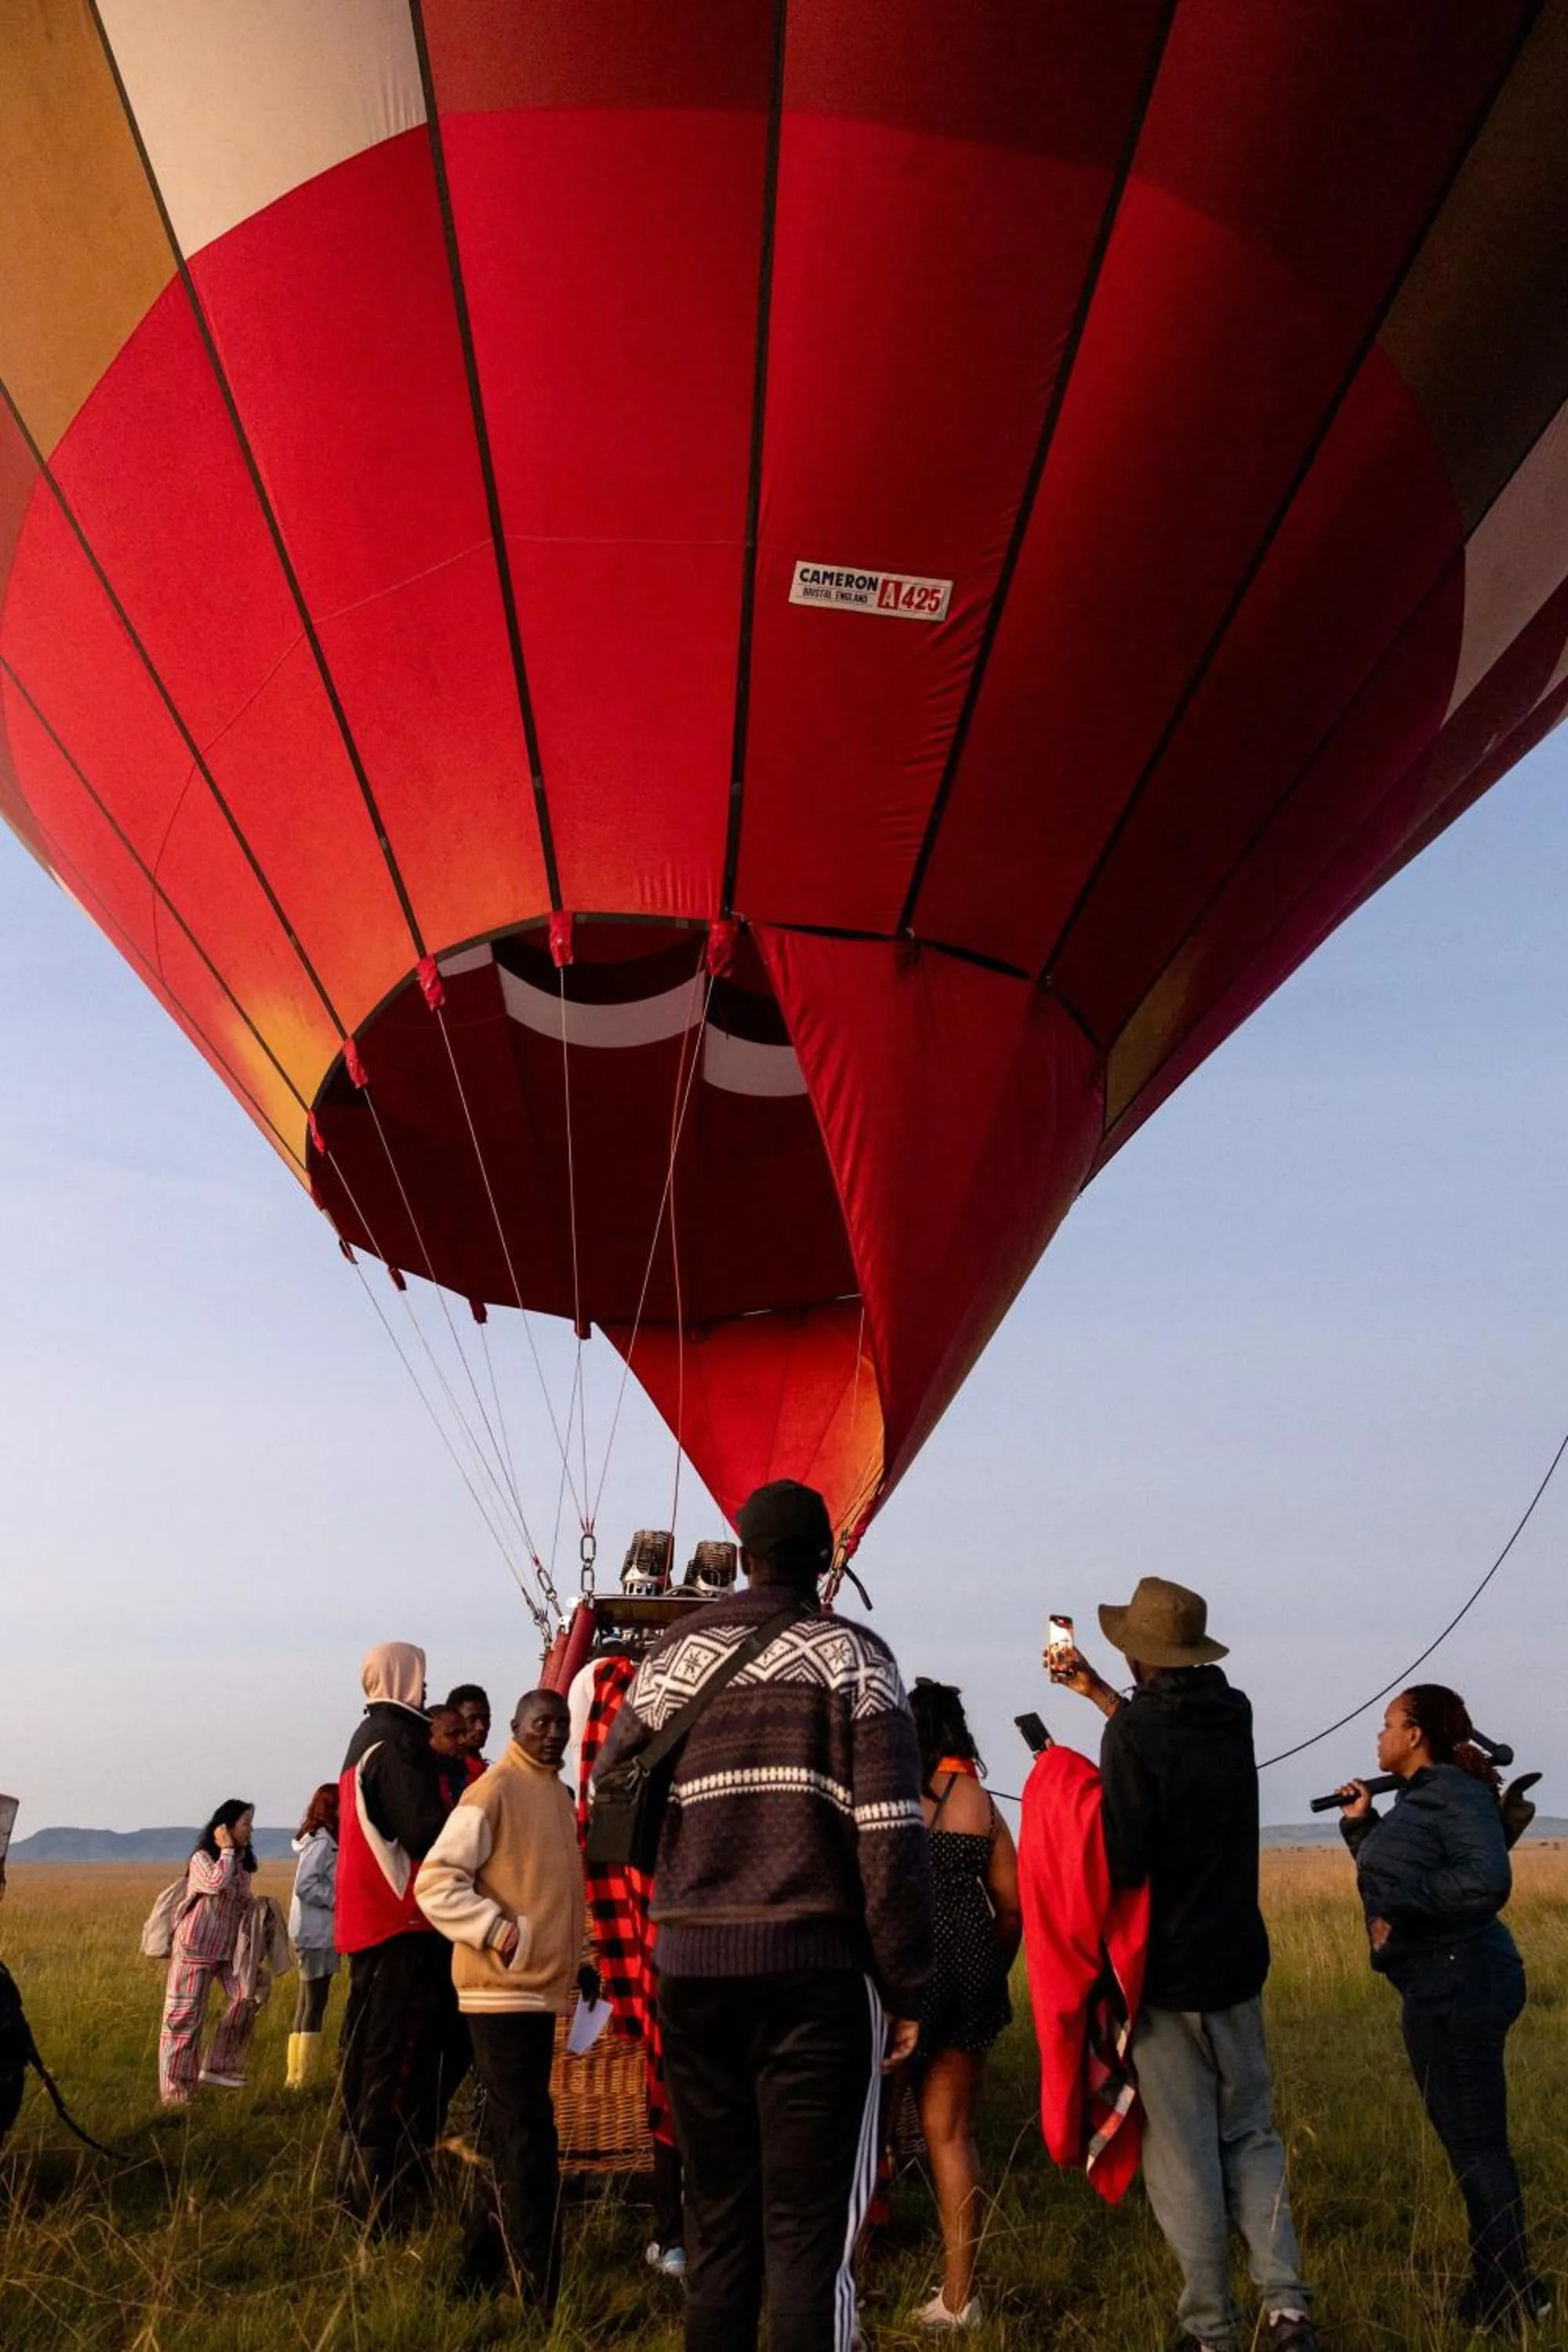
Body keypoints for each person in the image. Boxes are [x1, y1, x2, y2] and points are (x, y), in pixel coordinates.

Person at [594, 1478, 935, 2352]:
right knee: (805, 2235)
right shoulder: (858, 1659)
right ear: (825, 1563)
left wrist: (693, 1880)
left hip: (694, 1972)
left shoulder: (667, 1661)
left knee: (718, 2227)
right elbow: (890, 1837)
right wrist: (905, 1984)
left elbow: (610, 1792)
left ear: (741, 1556)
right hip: (815, 1975)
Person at [1061, 1577, 1316, 2352]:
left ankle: (1207, 2329)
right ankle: (1287, 2308)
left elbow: (1127, 1856)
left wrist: (1072, 1804)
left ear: (1137, 1653)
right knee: (1251, 2133)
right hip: (1235, 1958)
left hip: (1163, 1977)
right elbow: (1168, 1742)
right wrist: (1104, 1698)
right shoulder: (1229, 1712)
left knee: (1181, 2154)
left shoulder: (1133, 1735)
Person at [1337, 1687, 1548, 2334]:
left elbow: (1485, 1881)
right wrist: (1360, 1827)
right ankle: (1501, 2287)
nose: (1379, 1737)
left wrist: (1400, 1908)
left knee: (1478, 2146)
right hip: (1440, 1982)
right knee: (1470, 2145)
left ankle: (1514, 2298)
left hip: (1461, 1980)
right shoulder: (1424, 1799)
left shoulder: (1453, 1793)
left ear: (1416, 1735)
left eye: (1388, 1724)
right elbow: (1397, 1871)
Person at [417, 1688, 590, 2310]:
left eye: (562, 1723)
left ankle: (476, 2274)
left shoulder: (554, 1795)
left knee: (502, 2134)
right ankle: (538, 2292)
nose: (554, 1733)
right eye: (542, 1722)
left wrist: (580, 1962)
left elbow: (552, 1889)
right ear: (516, 1727)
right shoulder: (492, 1791)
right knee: (529, 2140)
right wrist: (498, 1932)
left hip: (536, 1990)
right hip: (500, 1992)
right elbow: (435, 1881)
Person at [905, 1679, 1022, 2333]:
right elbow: (1012, 1908)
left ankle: (848, 2271)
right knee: (951, 2135)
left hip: (909, 1969)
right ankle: (959, 2296)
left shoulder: (898, 1796)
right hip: (973, 1965)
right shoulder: (984, 1804)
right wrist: (988, 1971)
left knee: (868, 2136)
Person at [334, 1642, 461, 2228]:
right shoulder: (400, 1744)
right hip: (404, 1923)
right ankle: (383, 2204)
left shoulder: (364, 1739)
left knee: (365, 2054)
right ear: (408, 1677)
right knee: (400, 2056)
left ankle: (350, 2186)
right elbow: (425, 1833)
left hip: (368, 1923)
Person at [158, 1800, 259, 2106]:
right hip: (194, 1949)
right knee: (183, 2022)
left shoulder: (241, 1866)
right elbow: (216, 1883)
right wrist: (226, 1850)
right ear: (224, 1828)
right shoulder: (202, 1859)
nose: (250, 1830)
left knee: (248, 1994)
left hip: (226, 1952)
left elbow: (240, 1902)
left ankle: (219, 2065)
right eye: (245, 1823)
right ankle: (176, 2095)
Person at [286, 1784, 339, 2089]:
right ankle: (305, 2078)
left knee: (305, 2003)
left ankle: (295, 2077)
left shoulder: (318, 1840)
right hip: (317, 1933)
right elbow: (305, 1885)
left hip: (311, 1933)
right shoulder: (323, 1842)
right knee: (314, 2005)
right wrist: (338, 1899)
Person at [447, 1683, 492, 1782]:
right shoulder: (443, 1775)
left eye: (486, 1719)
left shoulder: (485, 1771)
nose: (481, 1727)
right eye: (472, 1720)